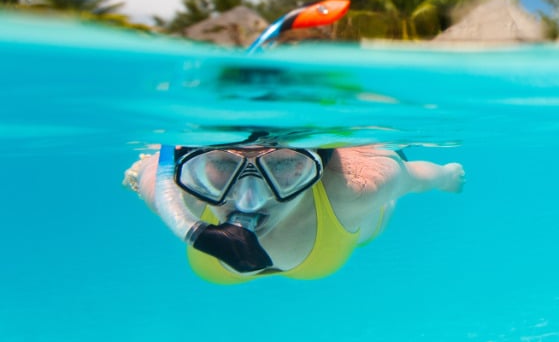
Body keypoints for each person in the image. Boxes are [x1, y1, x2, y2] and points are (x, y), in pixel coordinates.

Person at [124, 142, 464, 284]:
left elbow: (418, 177)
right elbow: (153, 171)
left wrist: (447, 175)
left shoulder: (358, 186)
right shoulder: (175, 191)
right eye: (222, 165)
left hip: (337, 234)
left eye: (285, 164)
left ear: (316, 166)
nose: (249, 199)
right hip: (229, 266)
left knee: (378, 195)